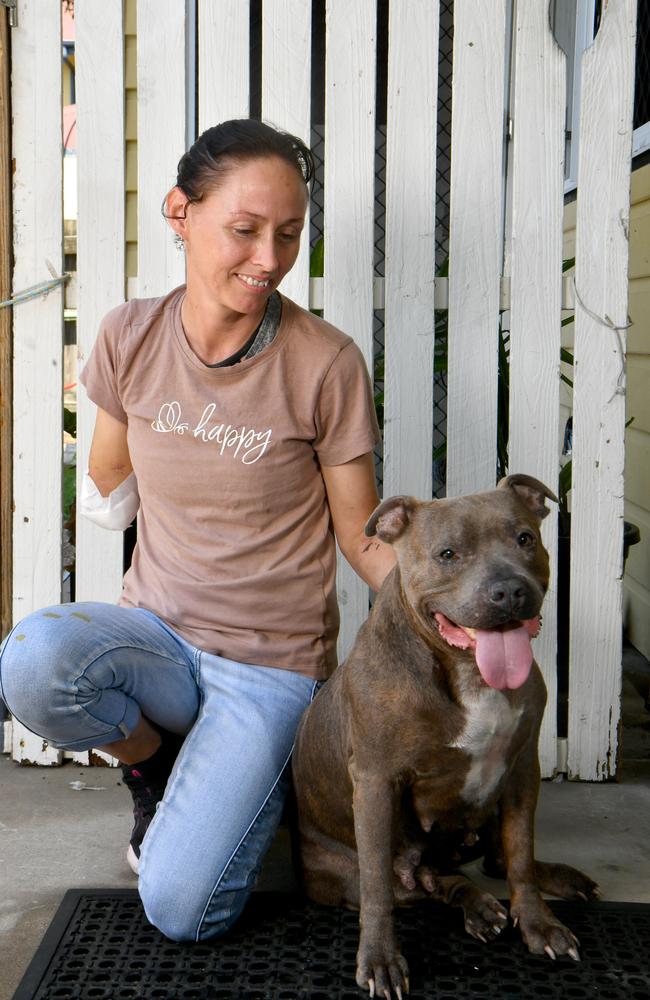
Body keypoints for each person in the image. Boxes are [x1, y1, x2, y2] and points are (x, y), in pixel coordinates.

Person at [0, 119, 396, 942]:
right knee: (33, 662)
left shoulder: (325, 362)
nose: (268, 258)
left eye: (288, 235)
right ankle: (157, 766)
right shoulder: (130, 335)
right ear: (181, 212)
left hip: (269, 665)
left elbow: (361, 536)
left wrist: (450, 618)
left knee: (184, 911)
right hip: (158, 639)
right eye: (244, 230)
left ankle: (251, 773)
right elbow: (110, 479)